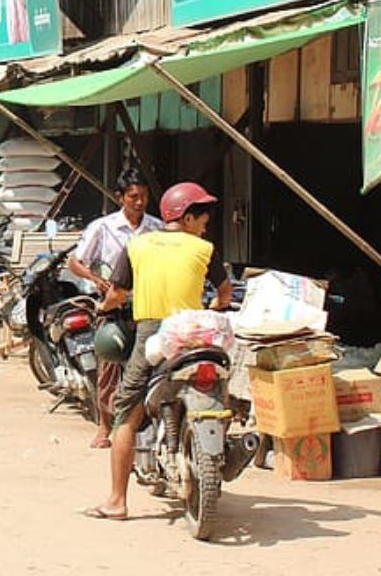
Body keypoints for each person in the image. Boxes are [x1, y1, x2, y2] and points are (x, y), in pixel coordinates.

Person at [85, 181, 232, 522]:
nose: (207, 221)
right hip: (195, 332)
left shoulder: (138, 246)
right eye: (203, 215)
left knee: (126, 411)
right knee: (219, 384)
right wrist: (210, 305)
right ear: (187, 217)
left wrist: (103, 308)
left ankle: (117, 501)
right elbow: (223, 296)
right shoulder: (204, 249)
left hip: (153, 334)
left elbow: (117, 294)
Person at [67, 169, 163, 448]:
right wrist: (96, 280)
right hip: (113, 302)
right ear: (120, 197)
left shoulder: (156, 228)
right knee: (108, 363)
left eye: (144, 196)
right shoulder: (102, 227)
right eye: (134, 196)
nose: (139, 202)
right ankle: (104, 426)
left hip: (147, 304)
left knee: (150, 362)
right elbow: (76, 262)